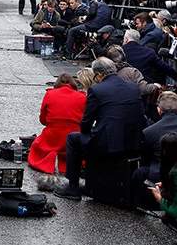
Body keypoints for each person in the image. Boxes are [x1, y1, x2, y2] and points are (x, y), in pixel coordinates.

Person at [54, 57, 147, 201]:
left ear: (99, 75)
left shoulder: (97, 90)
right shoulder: (133, 87)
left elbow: (86, 122)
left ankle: (73, 187)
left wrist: (89, 134)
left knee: (73, 139)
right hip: (133, 144)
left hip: (108, 145)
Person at [28, 74, 87, 174]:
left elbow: (43, 120)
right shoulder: (82, 97)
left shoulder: (49, 94)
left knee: (37, 146)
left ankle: (49, 160)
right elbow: (85, 120)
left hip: (53, 135)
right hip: (74, 135)